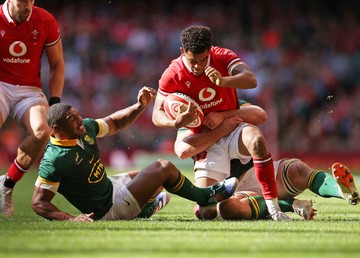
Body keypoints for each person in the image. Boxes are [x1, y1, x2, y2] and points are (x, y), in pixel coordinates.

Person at [31, 87, 238, 222]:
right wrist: (71, 219)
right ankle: (206, 196)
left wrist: (139, 106)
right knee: (162, 168)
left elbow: (114, 122)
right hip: (107, 210)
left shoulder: (84, 128)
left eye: (78, 115)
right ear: (57, 129)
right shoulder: (54, 159)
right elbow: (39, 202)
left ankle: (145, 210)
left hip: (110, 186)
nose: (80, 120)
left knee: (157, 183)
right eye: (73, 119)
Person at [152, 25, 289, 221]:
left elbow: (251, 80)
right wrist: (176, 121)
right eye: (192, 61)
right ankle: (278, 203)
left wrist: (223, 81)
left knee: (256, 139)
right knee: (206, 212)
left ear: (210, 49)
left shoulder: (222, 56)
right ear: (183, 51)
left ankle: (275, 208)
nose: (198, 66)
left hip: (233, 127)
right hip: (207, 140)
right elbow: (156, 115)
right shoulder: (172, 74)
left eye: (202, 60)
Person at [175, 124, 360, 220]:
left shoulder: (228, 103)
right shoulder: (190, 122)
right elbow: (182, 149)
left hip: (257, 170)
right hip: (229, 188)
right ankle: (291, 204)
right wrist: (222, 128)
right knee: (224, 209)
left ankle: (342, 192)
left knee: (297, 170)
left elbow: (258, 115)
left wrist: (233, 114)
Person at [0, 0, 65, 217]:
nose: (27, 6)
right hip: (1, 83)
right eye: (22, 1)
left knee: (43, 131)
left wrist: (54, 104)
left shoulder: (44, 19)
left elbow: (57, 64)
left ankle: (6, 185)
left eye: (31, 0)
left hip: (29, 89)